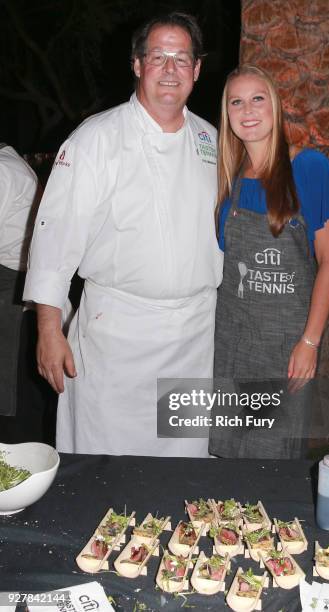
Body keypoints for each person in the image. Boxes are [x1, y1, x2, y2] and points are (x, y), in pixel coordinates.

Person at [23, 12, 223, 456]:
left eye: (181, 58)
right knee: (106, 470)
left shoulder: (211, 140)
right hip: (116, 337)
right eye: (158, 57)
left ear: (197, 70)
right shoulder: (95, 138)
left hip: (192, 338)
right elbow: (54, 239)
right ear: (137, 65)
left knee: (181, 464)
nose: (170, 70)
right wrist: (49, 330)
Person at [210, 65, 329, 459]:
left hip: (286, 346)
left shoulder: (309, 168)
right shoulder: (230, 178)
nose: (247, 109)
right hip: (231, 342)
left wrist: (310, 342)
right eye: (236, 101)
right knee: (226, 454)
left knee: (272, 460)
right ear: (227, 113)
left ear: (275, 107)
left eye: (258, 98)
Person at [0, 144, 39, 420]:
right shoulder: (8, 162)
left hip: (13, 275)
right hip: (17, 270)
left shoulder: (3, 169)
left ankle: (11, 439)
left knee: (7, 368)